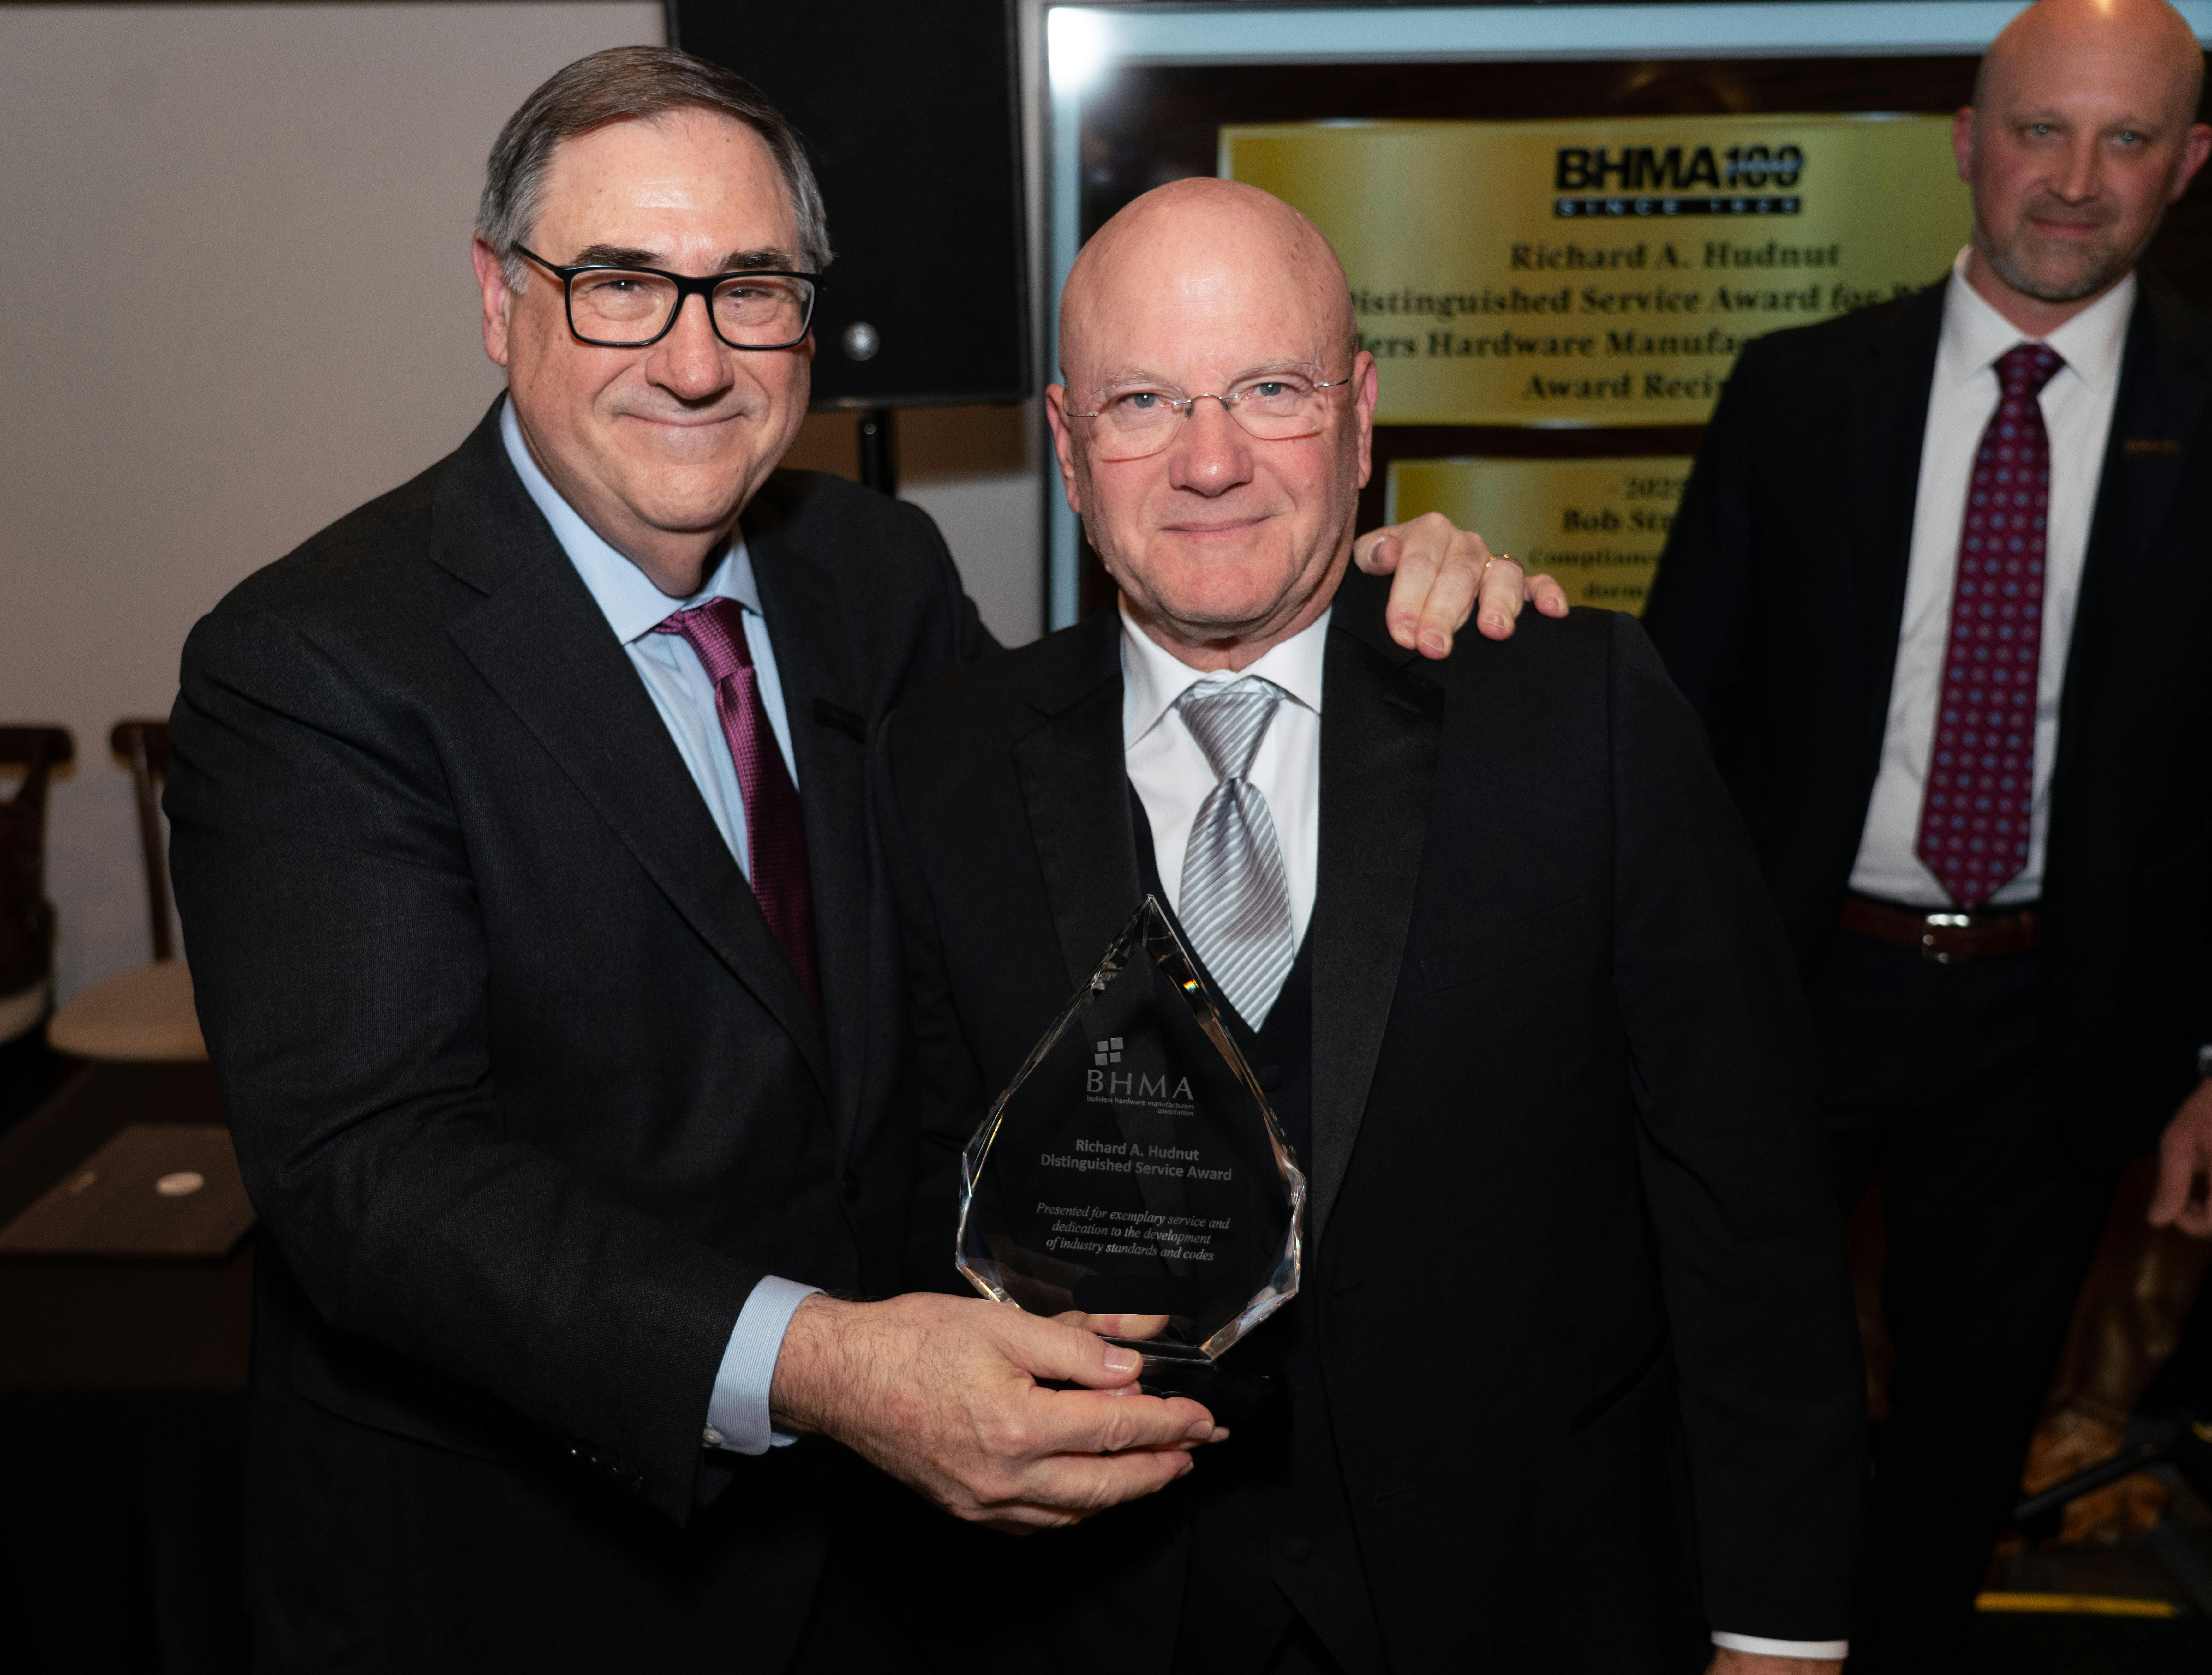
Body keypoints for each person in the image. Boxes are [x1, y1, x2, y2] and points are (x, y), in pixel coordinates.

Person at [163, 45, 1544, 1673]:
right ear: (496, 298)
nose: (693, 358)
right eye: (621, 284)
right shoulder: (317, 660)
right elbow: (374, 1178)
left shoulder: (874, 575)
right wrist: (827, 1367)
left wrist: (1353, 596)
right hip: (531, 1568)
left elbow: (1076, 855)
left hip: (899, 1569)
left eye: (750, 288)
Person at [878, 177, 1867, 1675]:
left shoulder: (1575, 710)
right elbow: (916, 1195)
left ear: (1357, 413)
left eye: (1267, 389)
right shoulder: (942, 759)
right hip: (1093, 1613)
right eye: (1143, 401)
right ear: (1069, 447)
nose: (1209, 460)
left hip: (1527, 1596)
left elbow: (1750, 1207)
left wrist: (1778, 1633)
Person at [1639, 0, 2212, 1665]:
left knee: (1962, 1444)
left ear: (2190, 164)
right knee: (1727, 1384)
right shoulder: (1800, 394)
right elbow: (1676, 722)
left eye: (2125, 141)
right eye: (2042, 130)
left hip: (2059, 1020)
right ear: (1969, 140)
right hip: (1786, 985)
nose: (2076, 181)